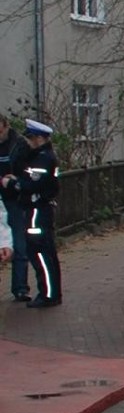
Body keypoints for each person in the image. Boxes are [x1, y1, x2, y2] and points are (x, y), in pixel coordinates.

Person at [1, 119, 61, 308]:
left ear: (38, 139)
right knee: (45, 253)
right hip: (39, 208)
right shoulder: (43, 156)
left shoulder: (43, 158)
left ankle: (48, 294)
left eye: (30, 138)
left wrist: (12, 183)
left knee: (40, 253)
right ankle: (50, 293)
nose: (27, 142)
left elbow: (34, 184)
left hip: (37, 210)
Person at [0, 116, 30, 301]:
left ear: (6, 127)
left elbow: (27, 170)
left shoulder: (19, 145)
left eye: (0, 131)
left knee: (19, 244)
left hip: (14, 200)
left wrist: (16, 180)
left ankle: (20, 288)